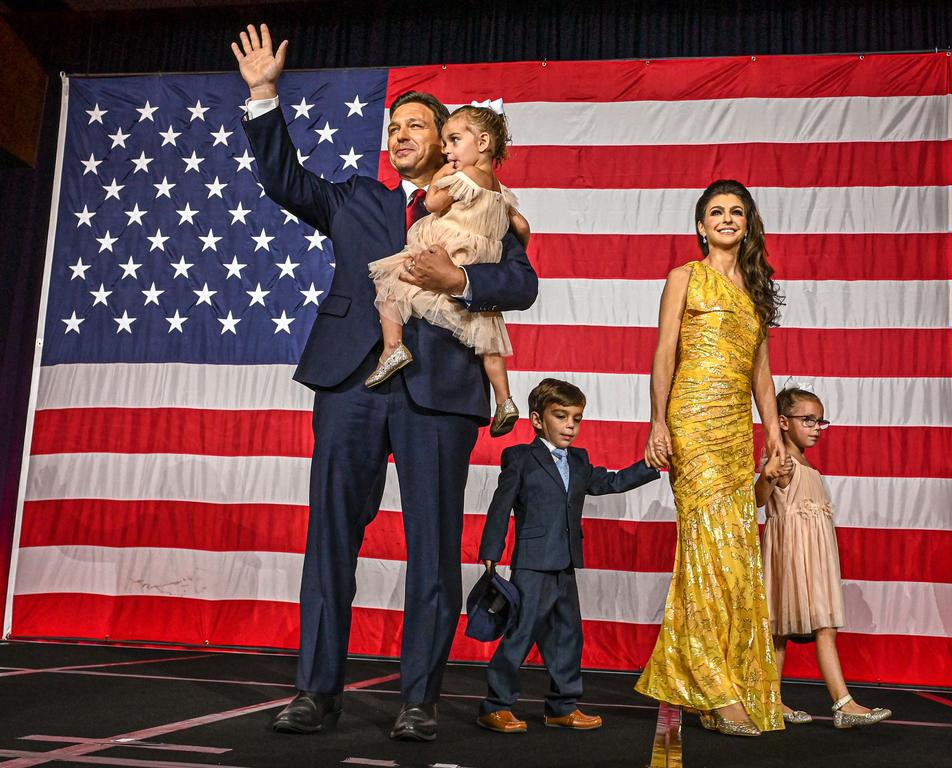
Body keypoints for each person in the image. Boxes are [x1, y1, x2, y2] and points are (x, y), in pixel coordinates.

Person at [231, 24, 538, 741]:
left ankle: (418, 702)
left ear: (447, 140)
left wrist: (462, 277)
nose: (401, 134)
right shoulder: (357, 200)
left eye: (417, 126)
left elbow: (521, 283)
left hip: (441, 391)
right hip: (351, 384)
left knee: (432, 548)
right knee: (330, 539)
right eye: (394, 126)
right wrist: (263, 94)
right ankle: (316, 692)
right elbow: (284, 180)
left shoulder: (481, 200)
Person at [635, 179, 786, 737]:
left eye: (736, 212)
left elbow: (762, 375)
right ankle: (715, 689)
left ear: (747, 225)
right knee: (707, 547)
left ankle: (732, 681)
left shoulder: (755, 287)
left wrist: (773, 434)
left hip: (733, 431)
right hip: (692, 424)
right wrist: (657, 423)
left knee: (737, 553)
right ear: (700, 226)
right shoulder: (684, 277)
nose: (726, 219)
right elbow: (664, 352)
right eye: (716, 212)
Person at [475, 379, 662, 733]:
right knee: (520, 633)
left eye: (576, 418)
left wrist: (649, 465)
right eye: (561, 416)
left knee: (567, 635)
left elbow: (611, 482)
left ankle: (562, 706)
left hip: (566, 563)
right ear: (536, 419)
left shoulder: (579, 460)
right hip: (532, 563)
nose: (570, 426)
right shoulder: (520, 458)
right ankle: (495, 706)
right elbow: (501, 506)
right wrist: (491, 551)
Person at [365, 104, 530, 438]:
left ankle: (392, 347)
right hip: (480, 256)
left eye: (453, 140)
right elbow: (522, 225)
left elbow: (433, 205)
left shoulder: (461, 177)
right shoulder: (501, 191)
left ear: (482, 143)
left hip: (446, 248)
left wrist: (439, 180)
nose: (447, 149)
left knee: (392, 281)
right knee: (488, 339)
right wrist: (498, 246)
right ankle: (504, 400)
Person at [755, 387, 893, 729]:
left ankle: (771, 702)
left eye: (820, 421)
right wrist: (768, 475)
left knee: (787, 632)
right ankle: (842, 703)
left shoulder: (803, 462)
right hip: (793, 554)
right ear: (784, 422)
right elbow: (758, 499)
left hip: (813, 554)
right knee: (806, 629)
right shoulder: (782, 461)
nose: (816, 427)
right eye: (808, 420)